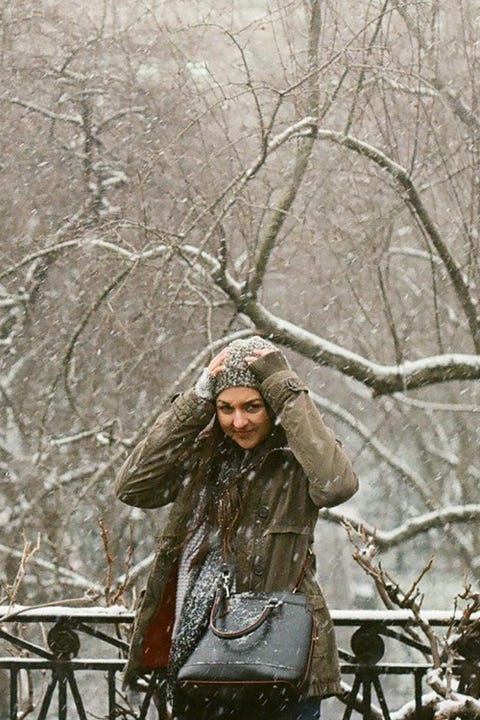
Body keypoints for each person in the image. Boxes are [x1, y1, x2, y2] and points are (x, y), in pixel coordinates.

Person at [114, 335, 358, 720]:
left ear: (273, 407)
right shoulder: (200, 457)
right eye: (225, 408)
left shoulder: (295, 461)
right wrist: (195, 401)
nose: (238, 421)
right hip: (197, 656)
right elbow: (133, 486)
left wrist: (283, 385)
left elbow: (336, 484)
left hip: (277, 659)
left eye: (253, 407)